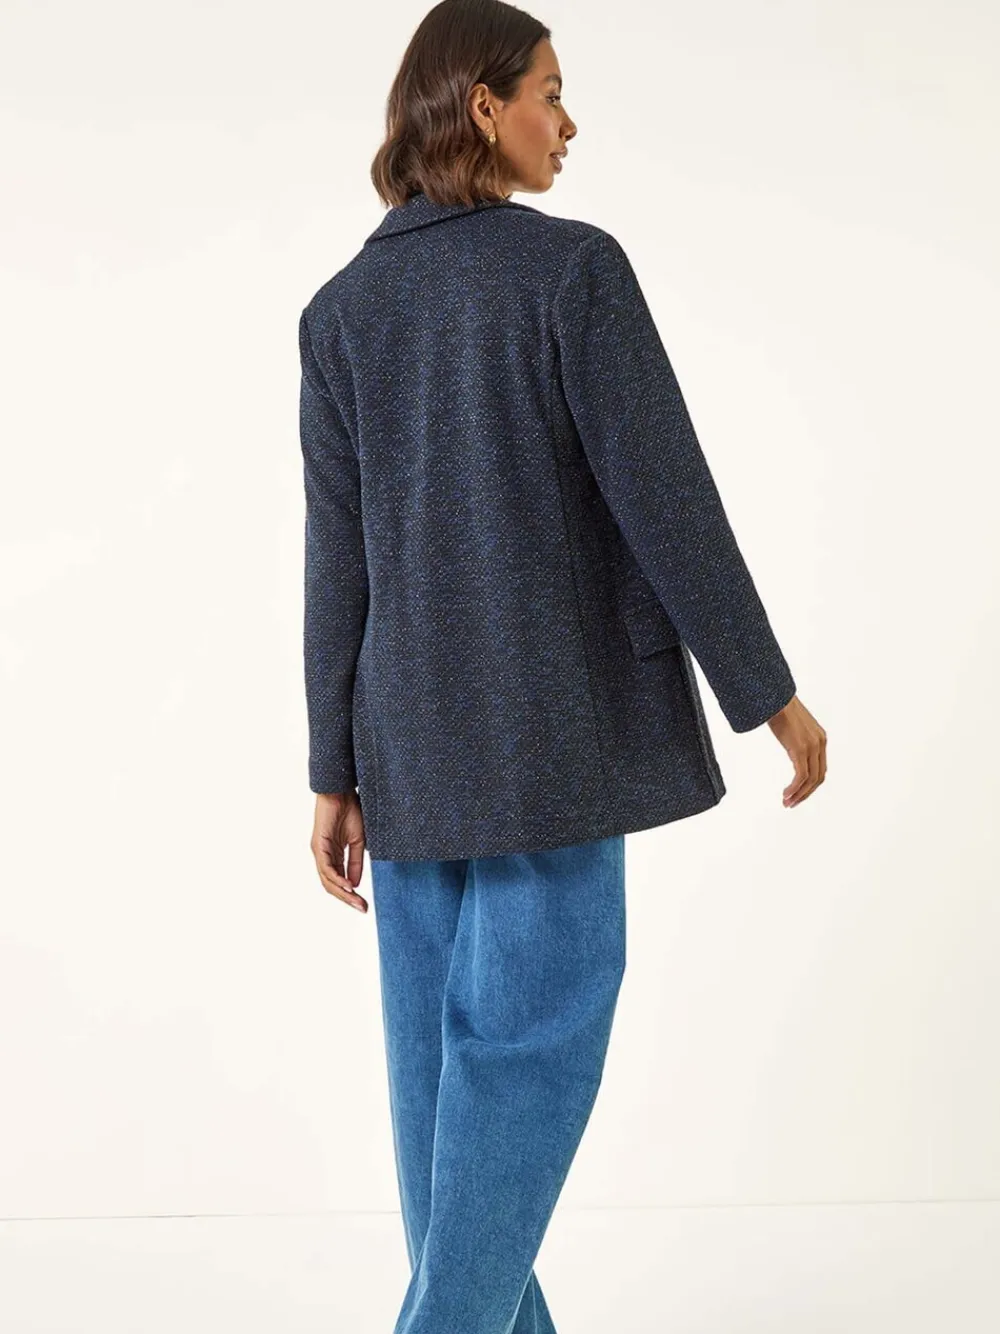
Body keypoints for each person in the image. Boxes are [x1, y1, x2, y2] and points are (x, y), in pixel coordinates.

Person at [296, 2, 827, 1329]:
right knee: (521, 1062)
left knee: (441, 1085)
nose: (567, 121)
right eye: (548, 92)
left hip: (406, 753)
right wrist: (767, 693)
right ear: (483, 107)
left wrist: (332, 768)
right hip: (551, 743)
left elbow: (335, 563)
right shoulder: (571, 274)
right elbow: (668, 501)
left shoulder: (340, 314)